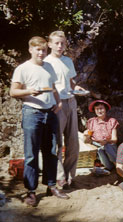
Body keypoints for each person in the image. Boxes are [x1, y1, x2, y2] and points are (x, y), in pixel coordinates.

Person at [10, 36, 69, 206]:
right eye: (38, 49)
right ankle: (31, 191)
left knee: (51, 151)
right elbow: (13, 92)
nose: (41, 53)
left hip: (49, 113)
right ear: (30, 50)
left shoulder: (49, 66)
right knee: (31, 154)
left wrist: (57, 102)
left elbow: (53, 87)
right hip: (32, 113)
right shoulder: (23, 68)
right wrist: (29, 91)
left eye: (43, 50)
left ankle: (51, 186)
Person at [44, 30, 86, 189]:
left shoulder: (68, 60)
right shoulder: (46, 62)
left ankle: (69, 177)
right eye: (56, 43)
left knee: (73, 142)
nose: (60, 46)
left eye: (62, 43)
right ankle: (59, 177)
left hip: (71, 101)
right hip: (56, 104)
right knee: (57, 143)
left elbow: (70, 81)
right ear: (50, 44)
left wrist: (78, 88)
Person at [83, 100, 119, 172]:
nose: (99, 111)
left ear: (105, 109)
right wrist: (86, 135)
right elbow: (87, 141)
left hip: (110, 146)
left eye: (101, 108)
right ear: (94, 110)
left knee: (108, 146)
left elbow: (114, 139)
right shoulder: (91, 122)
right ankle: (110, 167)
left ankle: (118, 167)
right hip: (97, 148)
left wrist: (106, 141)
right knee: (100, 150)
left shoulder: (112, 121)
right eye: (97, 109)